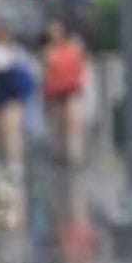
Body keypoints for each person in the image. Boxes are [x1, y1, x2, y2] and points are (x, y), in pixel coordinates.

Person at [0, 23, 35, 182]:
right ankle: (1, 162)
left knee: (13, 131)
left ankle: (14, 164)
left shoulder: (17, 52)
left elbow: (29, 71)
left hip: (12, 97)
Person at [43, 18, 88, 166]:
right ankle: (61, 152)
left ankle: (75, 155)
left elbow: (82, 66)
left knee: (74, 123)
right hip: (55, 92)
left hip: (72, 90)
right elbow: (46, 74)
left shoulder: (74, 46)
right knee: (59, 124)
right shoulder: (48, 51)